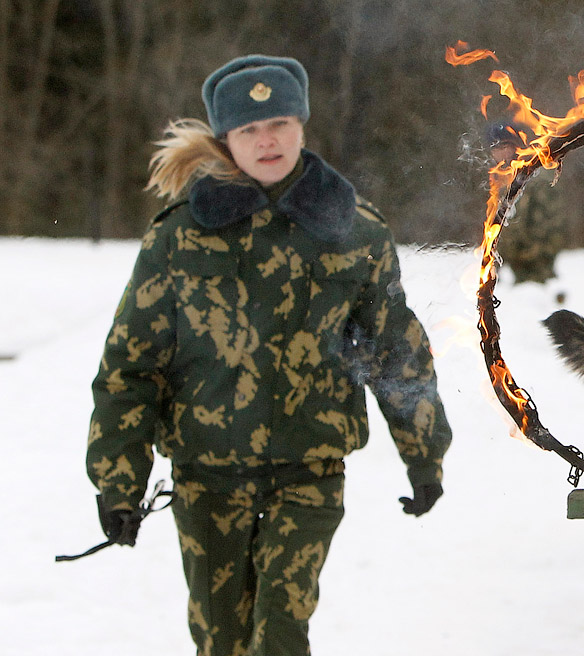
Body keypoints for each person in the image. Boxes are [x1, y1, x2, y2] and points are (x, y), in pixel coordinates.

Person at [85, 54, 452, 655]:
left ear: (302, 124)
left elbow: (396, 350)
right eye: (249, 129)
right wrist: (118, 481)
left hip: (309, 470)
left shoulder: (355, 231)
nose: (267, 140)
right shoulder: (179, 235)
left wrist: (425, 455)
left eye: (279, 122)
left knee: (281, 631)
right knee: (220, 637)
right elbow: (131, 365)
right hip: (207, 475)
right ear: (225, 139)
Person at [486, 122, 566, 284]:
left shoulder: (534, 179)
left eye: (504, 146)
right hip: (511, 267)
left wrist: (536, 256)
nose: (500, 153)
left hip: (536, 269)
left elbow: (551, 225)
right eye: (495, 147)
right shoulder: (498, 182)